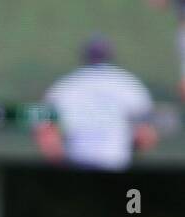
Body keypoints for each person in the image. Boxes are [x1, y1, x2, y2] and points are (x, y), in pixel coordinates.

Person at [34, 35, 158, 171]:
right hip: (116, 162)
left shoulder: (67, 85)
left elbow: (45, 131)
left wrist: (58, 161)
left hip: (78, 162)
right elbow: (145, 135)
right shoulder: (127, 83)